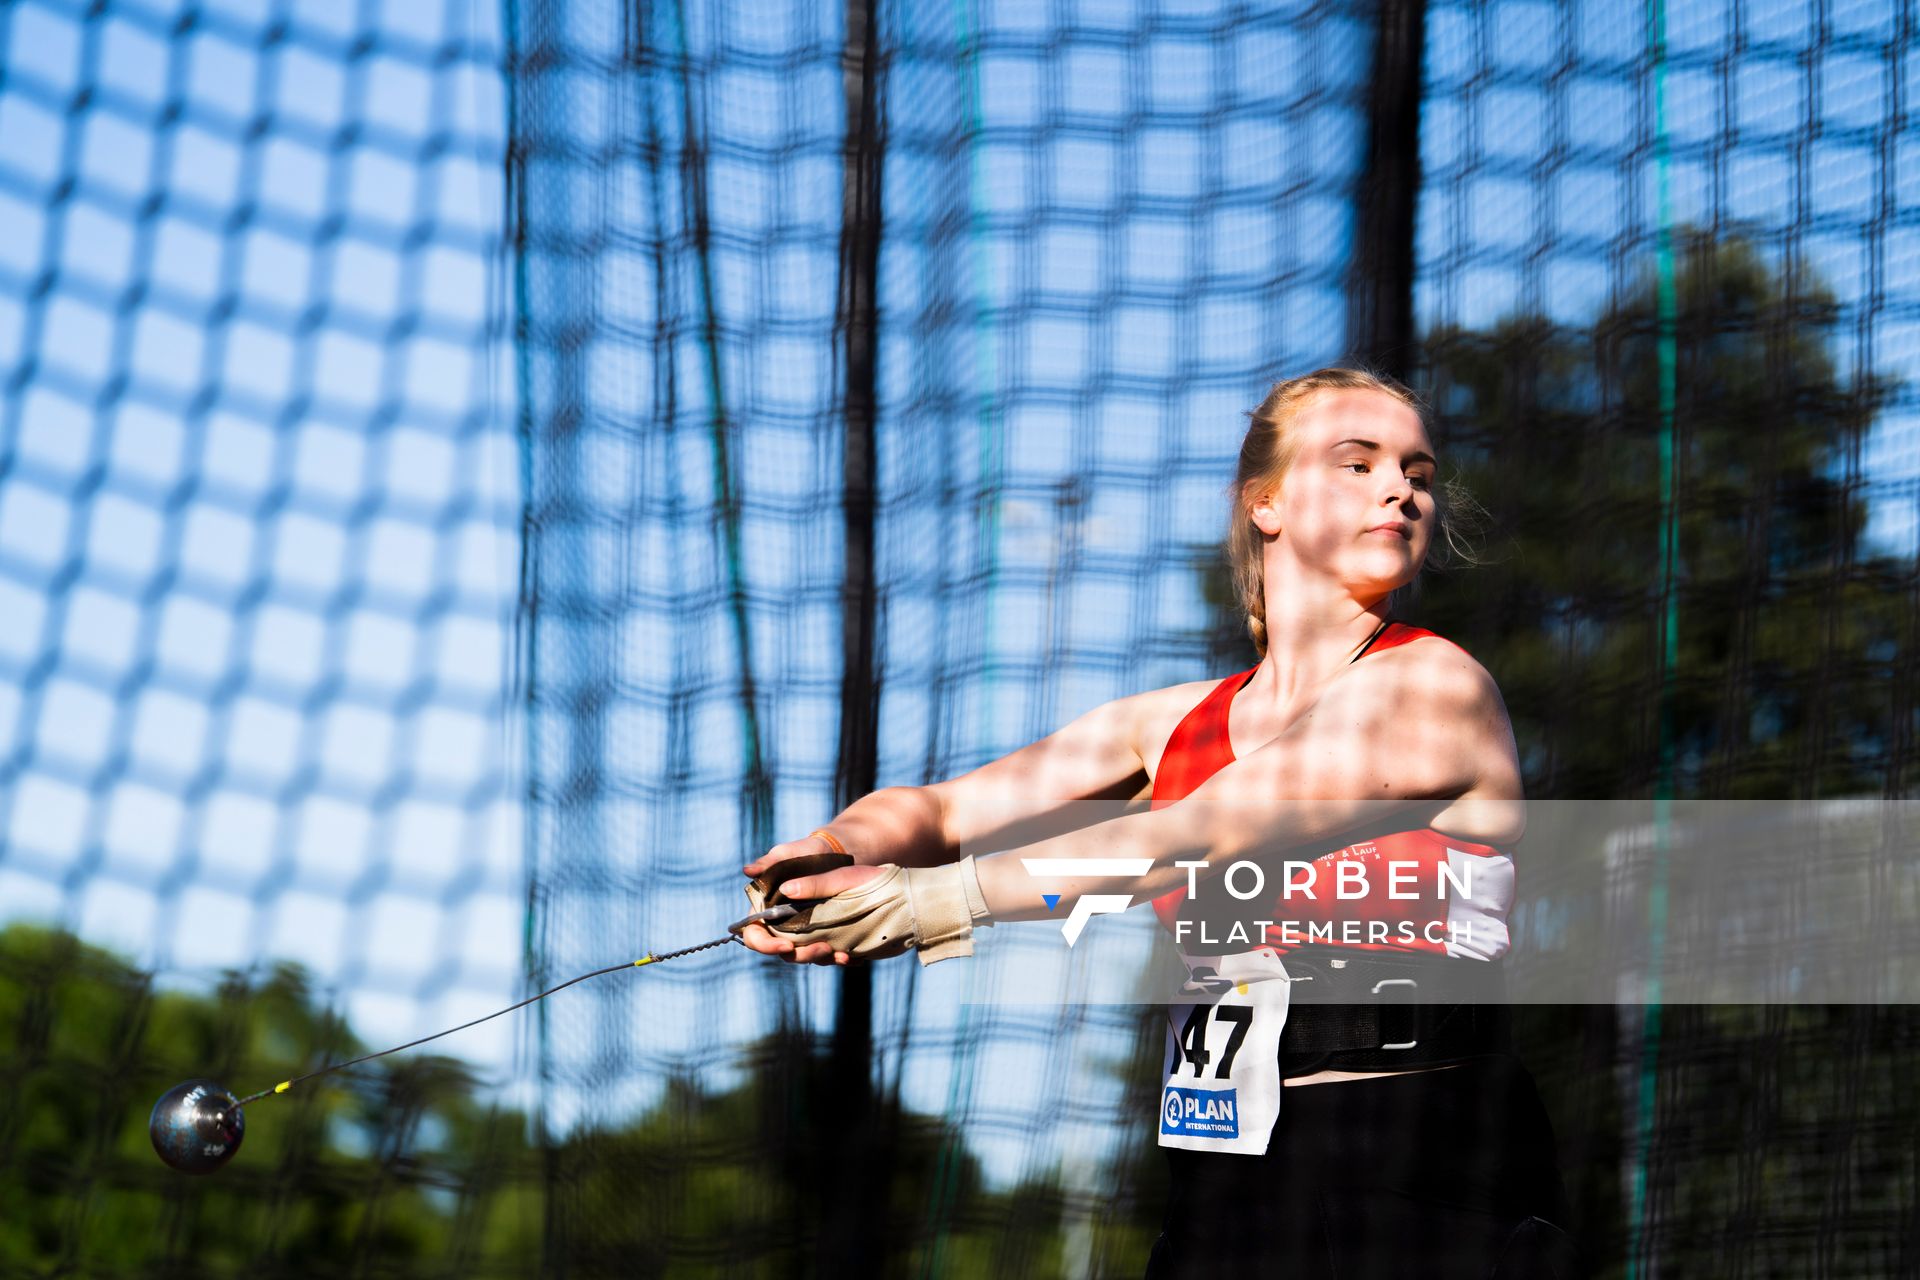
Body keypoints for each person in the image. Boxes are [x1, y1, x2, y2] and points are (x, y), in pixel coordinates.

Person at [738, 368, 1578, 1276]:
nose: (1399, 489)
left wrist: (939, 902)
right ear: (1267, 504)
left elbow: (1201, 830)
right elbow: (942, 810)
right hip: (1225, 1180)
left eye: (1415, 470)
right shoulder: (1172, 723)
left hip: (1420, 1168)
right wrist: (834, 849)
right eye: (1356, 461)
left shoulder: (1435, 685)